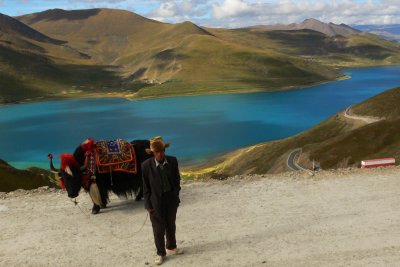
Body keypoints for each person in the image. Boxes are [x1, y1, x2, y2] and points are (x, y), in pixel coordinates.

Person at [142, 136, 184, 265]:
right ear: (153, 153)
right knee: (158, 229)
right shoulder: (146, 166)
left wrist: (176, 194)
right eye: (157, 152)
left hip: (171, 200)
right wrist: (148, 205)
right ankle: (161, 253)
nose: (159, 154)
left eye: (161, 151)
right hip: (155, 202)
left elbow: (177, 180)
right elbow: (145, 187)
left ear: (164, 151)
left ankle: (171, 246)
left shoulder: (173, 161)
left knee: (171, 225)